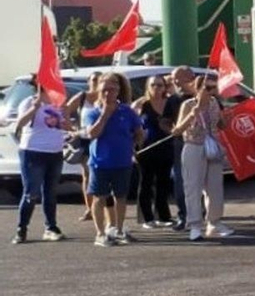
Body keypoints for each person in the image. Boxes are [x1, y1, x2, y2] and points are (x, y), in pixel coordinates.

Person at [82, 73, 143, 246]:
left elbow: (138, 132)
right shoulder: (92, 112)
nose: (109, 93)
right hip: (100, 162)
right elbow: (92, 133)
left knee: (121, 197)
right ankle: (100, 234)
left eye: (112, 89)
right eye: (105, 90)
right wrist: (106, 114)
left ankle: (119, 228)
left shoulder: (127, 111)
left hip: (123, 161)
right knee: (99, 198)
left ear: (118, 90)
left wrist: (139, 136)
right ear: (99, 91)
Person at [172, 75, 231, 240]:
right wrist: (191, 115)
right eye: (208, 88)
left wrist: (226, 120)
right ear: (198, 88)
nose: (212, 92)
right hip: (194, 145)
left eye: (214, 88)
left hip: (212, 146)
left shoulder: (214, 104)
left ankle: (214, 222)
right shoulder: (188, 105)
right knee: (193, 187)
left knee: (215, 187)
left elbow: (221, 125)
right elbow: (177, 130)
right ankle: (195, 225)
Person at [11, 84, 68, 244]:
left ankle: (51, 227)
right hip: (33, 152)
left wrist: (68, 117)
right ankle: (21, 228)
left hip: (55, 152)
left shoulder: (57, 103)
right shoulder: (29, 102)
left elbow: (63, 125)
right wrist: (34, 108)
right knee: (31, 193)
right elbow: (20, 124)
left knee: (50, 192)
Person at [132, 75, 176, 227]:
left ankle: (163, 216)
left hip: (166, 147)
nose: (157, 88)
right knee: (146, 183)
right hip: (146, 149)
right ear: (148, 87)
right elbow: (132, 126)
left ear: (165, 87)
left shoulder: (170, 103)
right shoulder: (141, 104)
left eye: (160, 85)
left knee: (163, 183)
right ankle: (147, 218)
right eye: (153, 85)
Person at [161, 66, 195, 231]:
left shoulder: (205, 97)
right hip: (181, 144)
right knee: (181, 182)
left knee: (204, 183)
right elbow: (165, 121)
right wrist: (171, 130)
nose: (174, 81)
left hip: (202, 143)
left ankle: (205, 215)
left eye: (177, 78)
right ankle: (183, 215)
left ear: (190, 78)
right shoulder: (173, 100)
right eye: (173, 78)